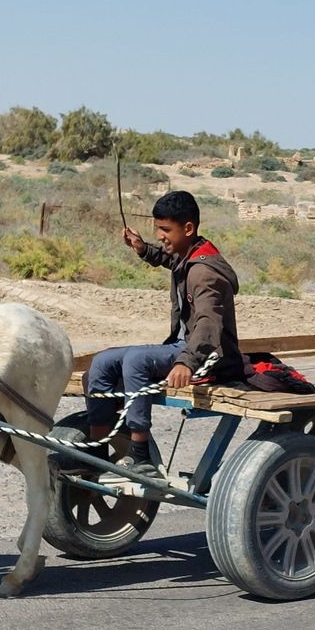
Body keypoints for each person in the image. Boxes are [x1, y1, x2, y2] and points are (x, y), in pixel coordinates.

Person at [82, 191, 242, 476]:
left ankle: (141, 454)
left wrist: (186, 362)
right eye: (158, 229)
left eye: (165, 229)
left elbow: (208, 324)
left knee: (137, 360)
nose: (160, 236)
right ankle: (96, 452)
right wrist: (143, 249)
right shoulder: (190, 254)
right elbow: (171, 260)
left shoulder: (205, 273)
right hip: (183, 346)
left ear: (188, 228)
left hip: (209, 357)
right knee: (102, 362)